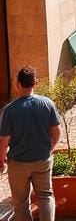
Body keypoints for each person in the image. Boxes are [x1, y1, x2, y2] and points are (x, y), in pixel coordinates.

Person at [0, 66, 62, 221]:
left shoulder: (9, 111)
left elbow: (4, 141)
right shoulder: (47, 104)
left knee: (20, 201)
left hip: (18, 163)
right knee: (46, 196)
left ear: (18, 84)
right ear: (36, 82)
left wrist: (2, 159)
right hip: (42, 160)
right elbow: (57, 133)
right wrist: (49, 150)